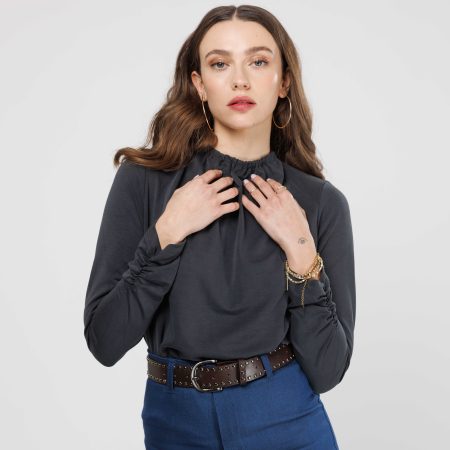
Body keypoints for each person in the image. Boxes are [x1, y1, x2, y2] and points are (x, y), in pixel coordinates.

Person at [83, 4, 356, 449]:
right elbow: (104, 341)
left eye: (258, 61)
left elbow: (328, 371)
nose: (240, 80)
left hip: (284, 419)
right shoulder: (144, 182)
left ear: (284, 82)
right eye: (220, 64)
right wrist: (166, 234)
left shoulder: (320, 203)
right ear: (199, 84)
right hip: (175, 423)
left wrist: (301, 252)